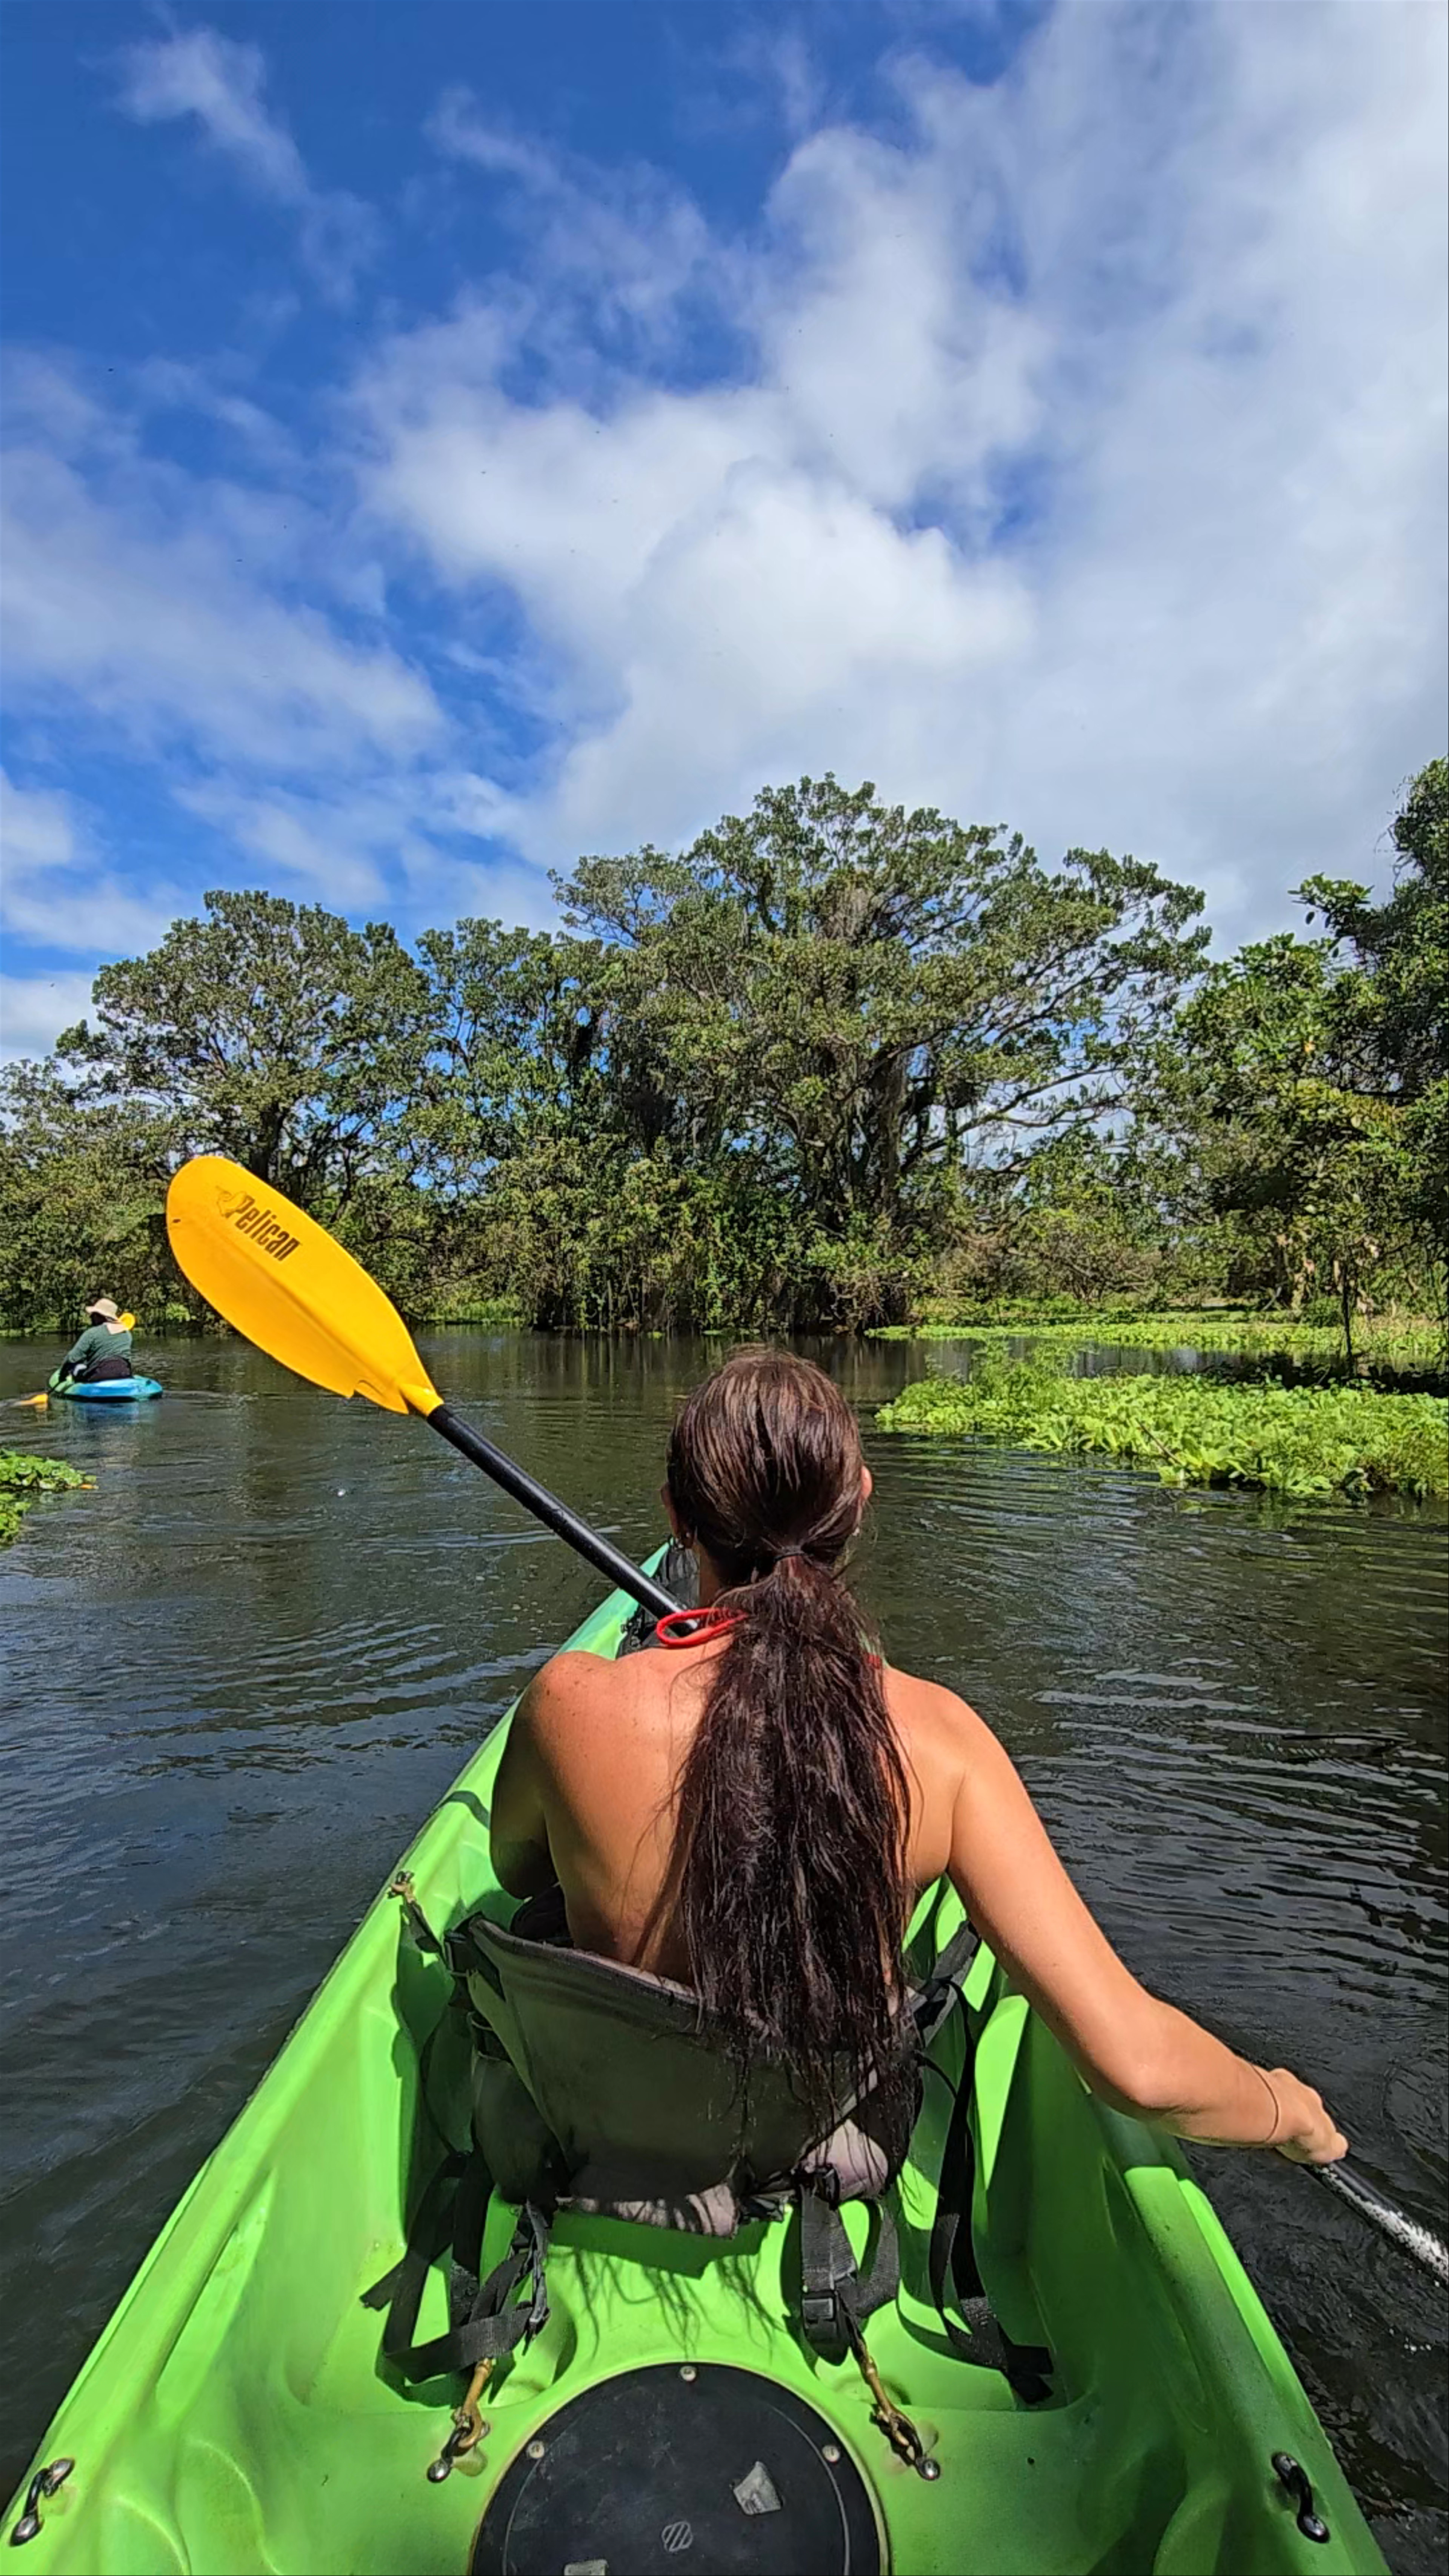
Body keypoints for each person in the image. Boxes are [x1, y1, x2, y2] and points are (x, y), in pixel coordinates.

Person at [491, 1348, 1347, 2165]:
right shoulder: (940, 1740)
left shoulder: (571, 1702)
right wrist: (1284, 2109)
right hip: (815, 2162)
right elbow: (1138, 2067)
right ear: (858, 1503)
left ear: (676, 1514)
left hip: (610, 2136)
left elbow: (518, 1871)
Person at [56, 1296, 134, 1385]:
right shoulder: (127, 1334)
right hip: (125, 1374)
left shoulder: (91, 1334)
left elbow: (72, 1358)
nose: (91, 1317)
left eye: (94, 1314)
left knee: (78, 1368)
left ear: (100, 1317)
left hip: (99, 1376)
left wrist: (62, 1377)